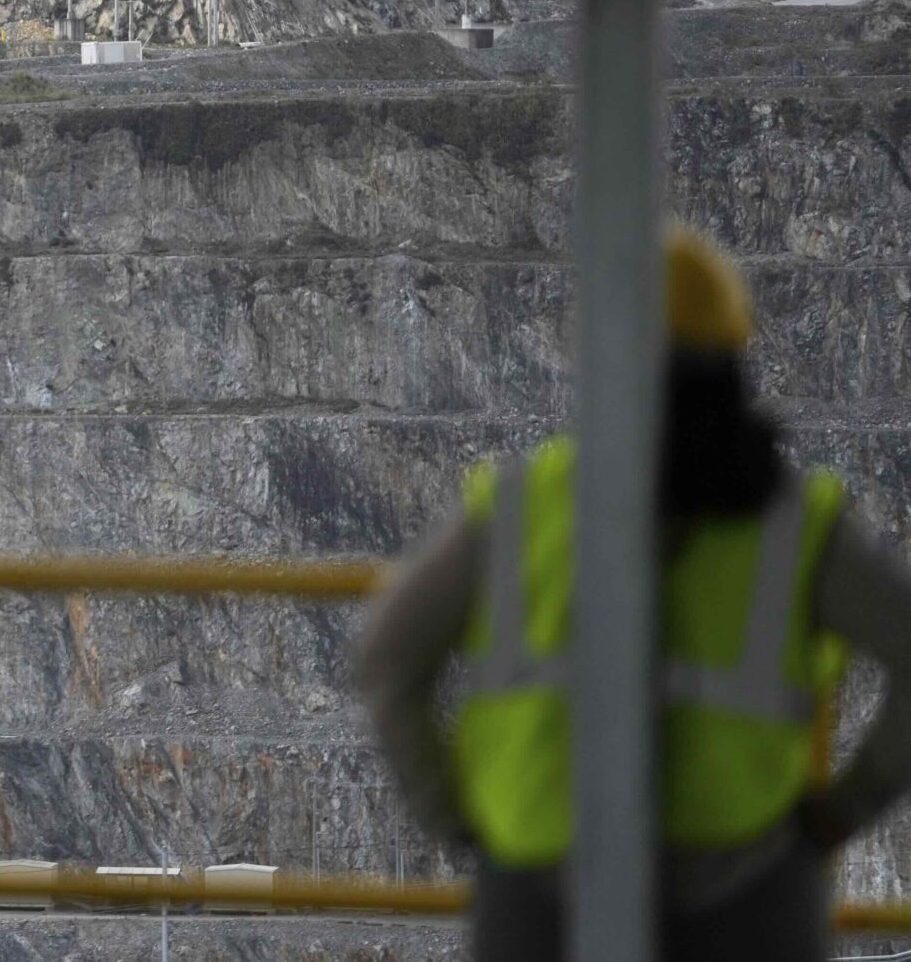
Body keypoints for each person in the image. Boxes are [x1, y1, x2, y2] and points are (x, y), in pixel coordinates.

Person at [359, 226, 911, 961]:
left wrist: (458, 816)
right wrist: (841, 811)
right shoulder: (793, 526)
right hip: (744, 899)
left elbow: (386, 657)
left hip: (542, 898)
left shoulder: (524, 510)